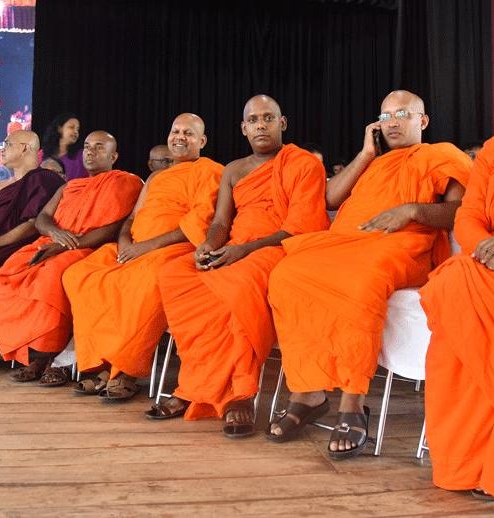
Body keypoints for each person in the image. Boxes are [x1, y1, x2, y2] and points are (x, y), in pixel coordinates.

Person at [266, 90, 471, 458]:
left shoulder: (443, 154)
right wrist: (365, 155)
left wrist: (412, 211)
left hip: (402, 246)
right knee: (287, 273)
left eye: (402, 114)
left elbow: (463, 212)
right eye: (385, 115)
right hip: (346, 243)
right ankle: (308, 392)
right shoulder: (374, 163)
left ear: (422, 121)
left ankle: (353, 402)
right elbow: (328, 199)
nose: (392, 122)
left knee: (359, 282)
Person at [152, 95, 329, 438]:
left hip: (277, 248)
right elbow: (221, 222)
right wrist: (208, 245)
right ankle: (198, 385)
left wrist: (244, 250)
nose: (261, 125)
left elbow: (301, 227)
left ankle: (240, 395)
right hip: (235, 247)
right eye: (253, 120)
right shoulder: (233, 169)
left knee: (236, 287)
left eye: (268, 118)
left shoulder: (304, 163)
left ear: (282, 123)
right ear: (244, 128)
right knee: (176, 274)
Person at [62, 114, 222, 400]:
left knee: (145, 281)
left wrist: (146, 247)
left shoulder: (211, 171)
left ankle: (126, 371)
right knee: (79, 275)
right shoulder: (156, 177)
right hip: (135, 246)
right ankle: (101, 362)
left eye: (188, 133)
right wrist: (126, 242)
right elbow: (132, 218)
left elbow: (199, 223)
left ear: (202, 141)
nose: (180, 137)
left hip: (174, 248)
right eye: (175, 131)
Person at [0, 131, 142, 385]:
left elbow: (115, 226)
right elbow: (43, 218)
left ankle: (45, 356)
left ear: (114, 156)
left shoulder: (127, 182)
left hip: (86, 248)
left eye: (99, 147)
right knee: (7, 276)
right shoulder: (70, 185)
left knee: (50, 278)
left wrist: (66, 245)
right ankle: (28, 349)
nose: (90, 151)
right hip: (51, 243)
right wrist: (55, 233)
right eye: (87, 146)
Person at [420, 137, 494, 501]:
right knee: (453, 283)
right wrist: (482, 245)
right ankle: (464, 464)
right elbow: (469, 215)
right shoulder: (491, 152)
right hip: (487, 262)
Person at [0, 130, 65, 266]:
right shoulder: (2, 185)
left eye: (8, 144)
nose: (2, 149)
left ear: (24, 148)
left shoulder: (44, 179)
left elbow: (33, 224)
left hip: (15, 251)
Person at [42, 113, 87, 181]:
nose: (76, 132)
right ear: (59, 128)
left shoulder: (83, 155)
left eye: (77, 129)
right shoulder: (42, 154)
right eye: (71, 127)